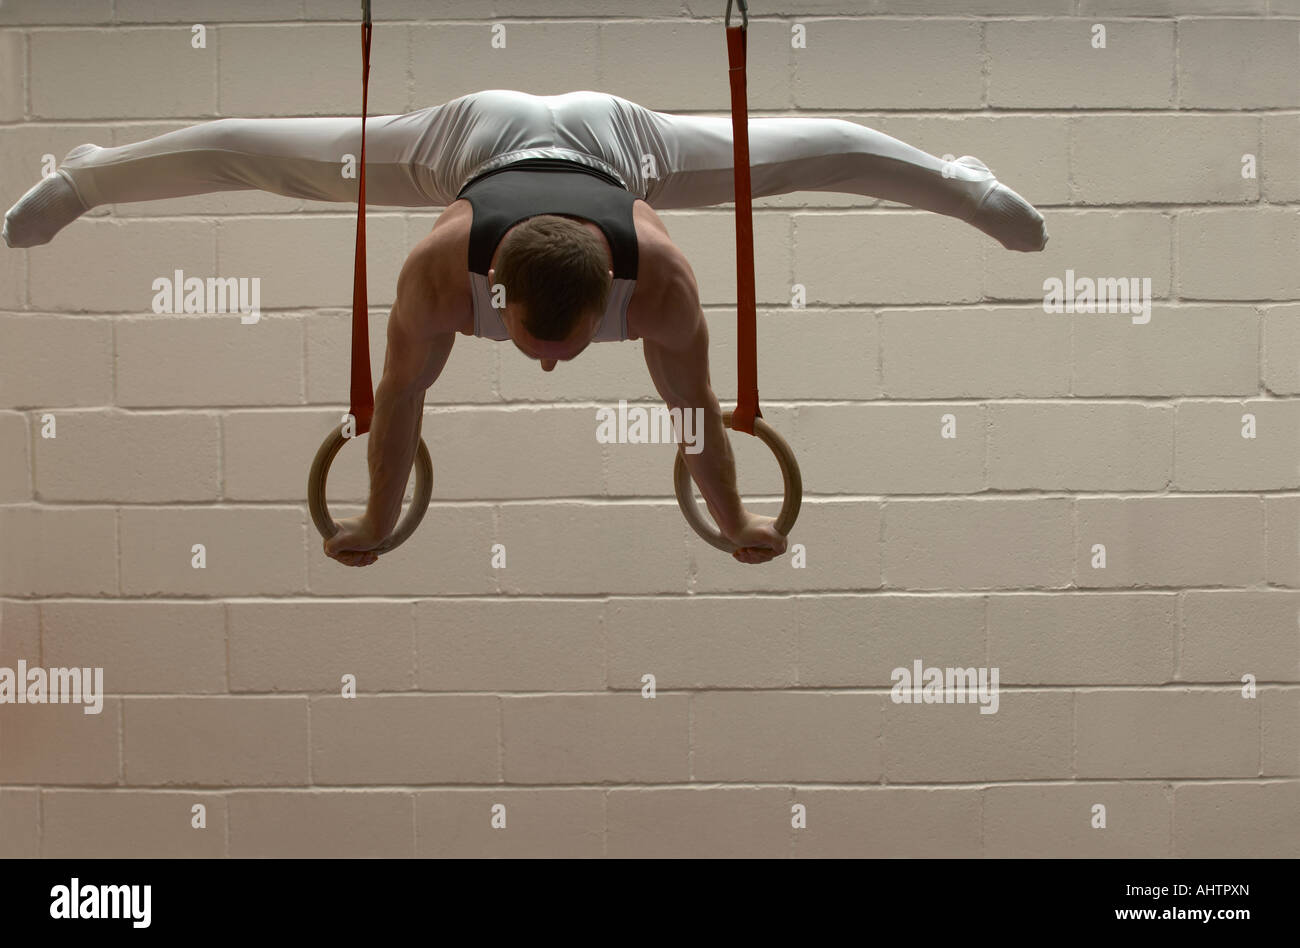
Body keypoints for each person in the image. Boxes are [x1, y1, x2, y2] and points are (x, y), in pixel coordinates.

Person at [3, 89, 1048, 566]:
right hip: (467, 140)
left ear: (615, 303)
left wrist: (735, 519)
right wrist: (370, 519)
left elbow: (696, 422)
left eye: (568, 346)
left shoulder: (666, 286)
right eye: (546, 349)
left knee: (817, 148)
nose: (549, 369)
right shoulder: (434, 274)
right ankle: (80, 179)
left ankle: (959, 184)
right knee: (253, 145)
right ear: (491, 294)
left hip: (621, 143)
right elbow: (397, 401)